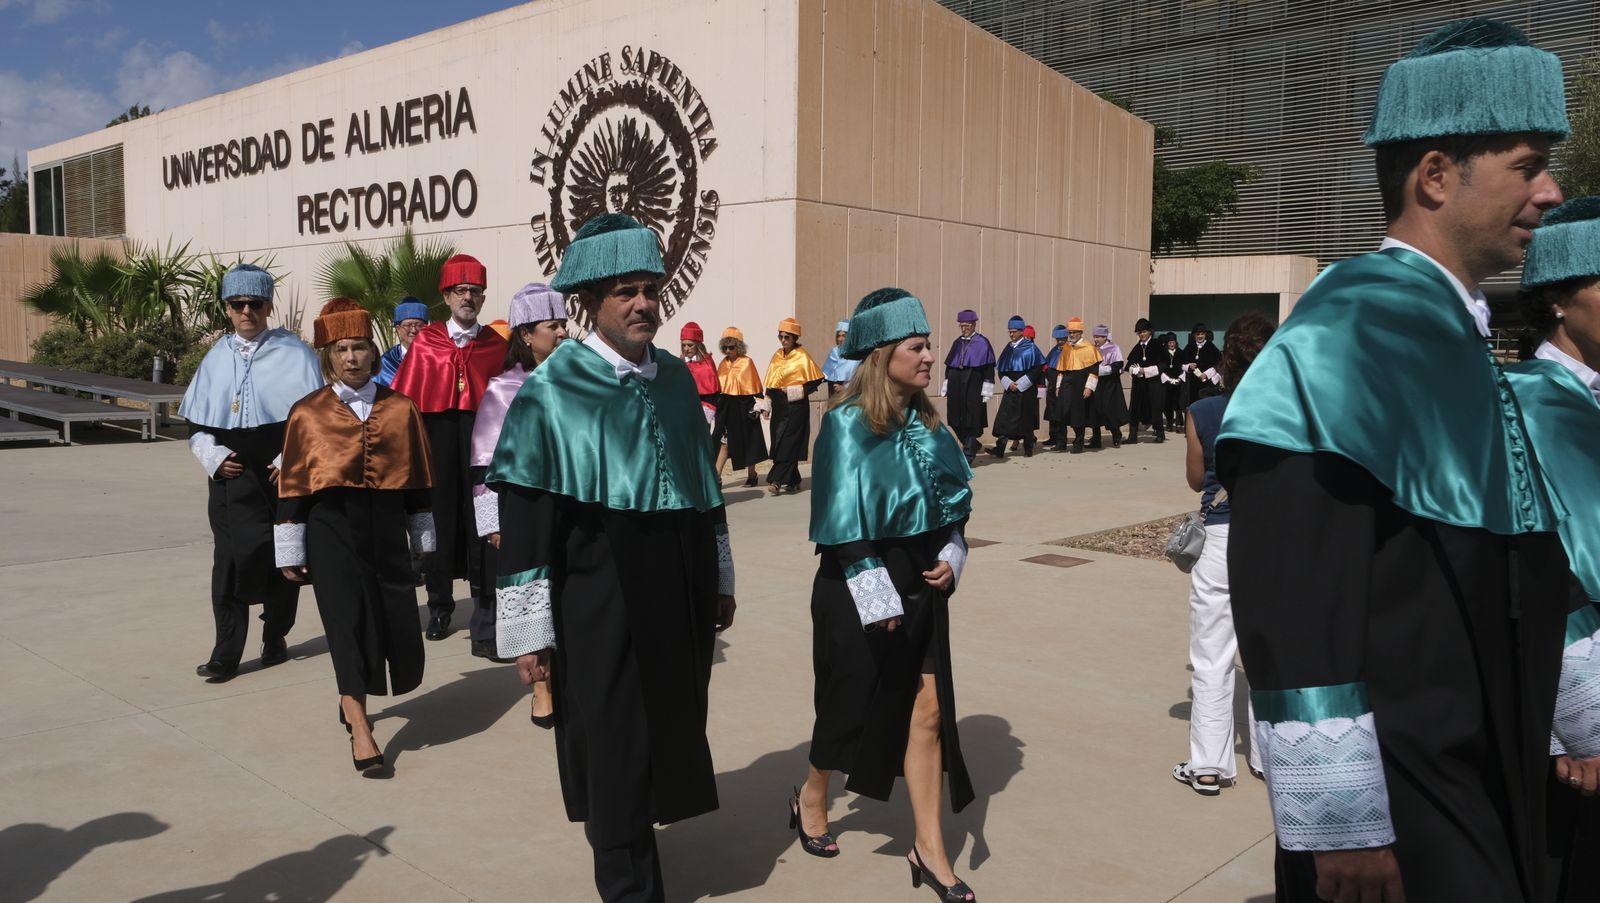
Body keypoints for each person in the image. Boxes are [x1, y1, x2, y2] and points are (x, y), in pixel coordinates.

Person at [1217, 19, 1577, 902]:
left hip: (1476, 755)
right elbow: (1296, 587)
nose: (1551, 192)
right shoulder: (1346, 334)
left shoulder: (1451, 329)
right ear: (1436, 176)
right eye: (1528, 166)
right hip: (1402, 794)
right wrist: (1340, 819)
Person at [488, 214, 737, 903]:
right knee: (612, 738)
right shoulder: (552, 389)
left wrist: (719, 578)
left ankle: (640, 844)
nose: (642, 303)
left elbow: (704, 488)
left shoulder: (679, 381)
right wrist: (530, 632)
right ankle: (628, 886)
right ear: (590, 300)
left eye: (650, 288)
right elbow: (528, 519)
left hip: (679, 581)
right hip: (600, 591)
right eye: (625, 290)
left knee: (668, 726)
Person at [795, 286, 976, 902]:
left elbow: (953, 507)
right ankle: (814, 791)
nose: (930, 357)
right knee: (849, 710)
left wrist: (953, 553)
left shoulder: (930, 423)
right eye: (917, 347)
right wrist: (878, 597)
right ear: (881, 356)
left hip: (923, 582)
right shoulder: (844, 427)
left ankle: (930, 849)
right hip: (856, 583)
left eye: (929, 346)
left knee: (926, 714)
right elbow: (841, 525)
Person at [273, 299, 435, 775]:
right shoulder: (307, 413)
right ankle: (360, 723)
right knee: (344, 623)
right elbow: (294, 487)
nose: (351, 358)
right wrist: (290, 545)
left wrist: (423, 542)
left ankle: (354, 700)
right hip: (331, 531)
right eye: (341, 348)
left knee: (388, 618)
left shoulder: (401, 409)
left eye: (360, 348)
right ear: (328, 354)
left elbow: (419, 483)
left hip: (386, 532)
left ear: (373, 351)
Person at [1505, 197, 1600, 902]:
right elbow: (1534, 561)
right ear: (1562, 297)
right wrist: (1583, 715)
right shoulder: (1517, 402)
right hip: (1571, 720)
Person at [180, 263, 322, 682]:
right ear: (227, 308)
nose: (247, 312)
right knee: (228, 561)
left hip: (282, 472)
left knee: (284, 555)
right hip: (231, 474)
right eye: (238, 304)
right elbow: (195, 424)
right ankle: (226, 651)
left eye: (255, 304)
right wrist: (213, 455)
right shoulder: (215, 357)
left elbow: (314, 417)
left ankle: (276, 634)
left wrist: (288, 458)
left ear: (268, 306)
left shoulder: (296, 353)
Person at [1171, 312, 1274, 797]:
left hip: (1221, 534)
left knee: (1212, 654)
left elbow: (1196, 480)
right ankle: (1267, 756)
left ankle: (1209, 765)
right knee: (1266, 654)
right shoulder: (1289, 406)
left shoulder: (1203, 410)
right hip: (1274, 538)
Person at [389, 254, 507, 642]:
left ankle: (484, 603)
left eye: (475, 291)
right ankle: (439, 606)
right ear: (446, 295)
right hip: (437, 437)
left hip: (481, 440)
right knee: (438, 521)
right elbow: (404, 401)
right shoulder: (427, 341)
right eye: (461, 291)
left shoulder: (494, 345)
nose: (468, 298)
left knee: (482, 520)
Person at [468, 282, 568, 736]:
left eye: (565, 323)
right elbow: (483, 461)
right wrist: (492, 523)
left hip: (572, 506)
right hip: (523, 510)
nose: (563, 332)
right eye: (553, 326)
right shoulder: (504, 389)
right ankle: (542, 685)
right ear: (527, 334)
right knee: (536, 593)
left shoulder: (577, 379)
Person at [763, 318, 824, 495]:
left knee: (789, 442)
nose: (783, 340)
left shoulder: (802, 356)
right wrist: (767, 404)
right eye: (780, 336)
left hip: (796, 407)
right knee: (779, 441)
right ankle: (794, 479)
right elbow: (771, 383)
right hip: (780, 408)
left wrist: (793, 390)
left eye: (786, 337)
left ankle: (776, 480)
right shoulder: (777, 355)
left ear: (794, 338)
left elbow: (814, 383)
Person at [713, 327, 768, 487]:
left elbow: (756, 386)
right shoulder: (723, 364)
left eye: (731, 347)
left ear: (739, 347)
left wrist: (760, 407)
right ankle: (716, 476)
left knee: (749, 440)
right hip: (726, 408)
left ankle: (752, 474)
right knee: (724, 441)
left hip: (744, 407)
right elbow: (718, 386)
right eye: (725, 347)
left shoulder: (747, 362)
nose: (728, 350)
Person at [988, 315, 1045, 458]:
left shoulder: (1031, 347)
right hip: (1010, 388)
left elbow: (1037, 369)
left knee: (1025, 419)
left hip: (1026, 389)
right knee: (1004, 418)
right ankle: (1000, 448)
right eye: (1009, 331)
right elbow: (1001, 369)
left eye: (1014, 331)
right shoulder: (1008, 347)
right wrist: (1008, 382)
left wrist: (1021, 384)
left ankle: (1028, 448)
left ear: (1021, 331)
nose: (1011, 334)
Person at [942, 310, 994, 463]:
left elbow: (988, 367)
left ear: (974, 325)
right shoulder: (957, 343)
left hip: (974, 384)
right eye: (962, 326)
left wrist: (987, 388)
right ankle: (974, 444)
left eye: (967, 326)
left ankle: (968, 455)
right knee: (954, 418)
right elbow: (950, 365)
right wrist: (946, 383)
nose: (964, 328)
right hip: (956, 383)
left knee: (971, 420)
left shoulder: (983, 342)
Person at [1051, 317, 1101, 454]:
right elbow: (1061, 369)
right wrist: (1058, 386)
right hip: (1066, 383)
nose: (1071, 335)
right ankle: (1061, 442)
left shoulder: (1089, 347)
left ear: (1080, 332)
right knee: (1061, 412)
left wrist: (1089, 387)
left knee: (1078, 415)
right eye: (1070, 332)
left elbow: (1094, 371)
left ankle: (1078, 443)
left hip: (1081, 383)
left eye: (1074, 332)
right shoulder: (1066, 347)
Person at [1124, 318, 1166, 444]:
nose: (1142, 334)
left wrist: (1144, 371)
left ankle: (1159, 432)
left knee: (1155, 407)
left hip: (1153, 383)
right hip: (1138, 384)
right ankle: (1132, 435)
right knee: (1134, 408)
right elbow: (1129, 365)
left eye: (1144, 332)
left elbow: (1163, 365)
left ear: (1149, 332)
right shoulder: (1137, 347)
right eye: (1139, 332)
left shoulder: (1157, 345)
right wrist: (1133, 370)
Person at [1088, 324, 1128, 449]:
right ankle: (1096, 439)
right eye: (1095, 336)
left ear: (1105, 337)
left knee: (1109, 409)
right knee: (1094, 410)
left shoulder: (1113, 348)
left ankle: (1116, 434)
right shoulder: (1092, 349)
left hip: (1110, 384)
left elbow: (1119, 364)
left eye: (1099, 337)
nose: (1096, 339)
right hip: (1095, 383)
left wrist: (1104, 370)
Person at [376, 298, 429, 387]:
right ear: (398, 329)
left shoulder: (436, 356)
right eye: (408, 325)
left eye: (419, 325)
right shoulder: (386, 362)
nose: (413, 330)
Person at [679, 322, 721, 431]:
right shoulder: (680, 363)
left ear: (697, 345)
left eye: (690, 345)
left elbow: (712, 394)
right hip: (683, 412)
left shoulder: (706, 364)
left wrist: (705, 416)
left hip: (701, 414)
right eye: (684, 345)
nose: (686, 349)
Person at [1176, 323, 1222, 410]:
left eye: (1202, 334)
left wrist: (1206, 374)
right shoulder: (1189, 347)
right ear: (1194, 335)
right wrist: (1188, 366)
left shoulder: (1211, 347)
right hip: (1191, 383)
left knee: (1206, 407)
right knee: (1193, 407)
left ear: (1205, 335)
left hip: (1207, 383)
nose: (1200, 336)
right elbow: (1179, 363)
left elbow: (1219, 364)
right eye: (1198, 334)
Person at [1041, 325, 1070, 449]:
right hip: (1052, 385)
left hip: (1062, 386)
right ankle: (1053, 436)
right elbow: (1047, 365)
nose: (1060, 341)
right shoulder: (1054, 350)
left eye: (1062, 339)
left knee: (1060, 413)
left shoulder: (1070, 351)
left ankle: (1061, 440)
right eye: (1058, 339)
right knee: (1052, 412)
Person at [823, 319, 860, 396]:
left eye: (844, 336)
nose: (840, 339)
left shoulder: (857, 355)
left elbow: (860, 382)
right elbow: (828, 376)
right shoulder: (834, 352)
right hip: (834, 396)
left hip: (850, 397)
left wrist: (845, 389)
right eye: (838, 336)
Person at [1158, 333, 1185, 431]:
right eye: (1170, 342)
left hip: (1178, 382)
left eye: (1173, 342)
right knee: (1167, 404)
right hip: (1166, 382)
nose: (1171, 344)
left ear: (1175, 343)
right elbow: (1160, 368)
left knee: (1178, 404)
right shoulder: (1162, 353)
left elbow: (1184, 367)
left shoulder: (1181, 353)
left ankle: (1178, 424)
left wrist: (1179, 379)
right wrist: (1169, 380)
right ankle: (1169, 423)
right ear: (1167, 343)